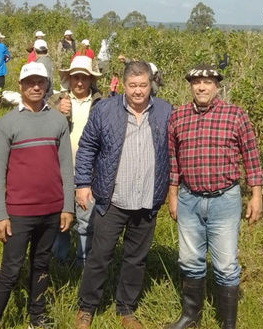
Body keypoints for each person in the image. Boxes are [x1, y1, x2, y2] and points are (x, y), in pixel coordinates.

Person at [74, 61, 173, 329]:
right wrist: (82, 183)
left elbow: (174, 151)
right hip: (112, 199)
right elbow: (87, 147)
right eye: (133, 86)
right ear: (124, 85)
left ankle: (126, 309)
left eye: (143, 85)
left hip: (147, 200)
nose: (138, 91)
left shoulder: (165, 111)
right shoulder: (106, 109)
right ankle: (86, 307)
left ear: (151, 84)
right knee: (99, 255)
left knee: (136, 258)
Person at [165, 63, 263, 329]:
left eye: (208, 82)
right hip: (189, 198)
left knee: (226, 264)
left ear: (217, 86)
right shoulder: (178, 116)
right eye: (197, 82)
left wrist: (256, 196)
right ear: (190, 86)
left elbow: (251, 158)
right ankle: (191, 317)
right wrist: (172, 195)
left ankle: (227, 324)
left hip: (224, 199)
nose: (202, 86)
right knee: (189, 259)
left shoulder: (235, 115)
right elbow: (173, 162)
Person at [0, 61, 74, 329]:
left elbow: (66, 167)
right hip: (19, 213)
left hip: (51, 211)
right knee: (10, 272)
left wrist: (67, 207)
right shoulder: (7, 123)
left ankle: (38, 317)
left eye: (41, 82)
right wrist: (0, 215)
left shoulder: (58, 120)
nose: (36, 86)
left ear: (47, 85)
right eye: (30, 82)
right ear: (20, 86)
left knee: (41, 265)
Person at [48, 55, 102, 266]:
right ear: (69, 79)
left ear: (91, 80)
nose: (80, 82)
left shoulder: (100, 103)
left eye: (84, 78)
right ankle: (59, 260)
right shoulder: (55, 101)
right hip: (59, 170)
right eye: (75, 77)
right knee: (59, 218)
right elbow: (42, 126)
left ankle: (84, 262)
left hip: (89, 172)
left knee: (86, 219)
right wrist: (57, 112)